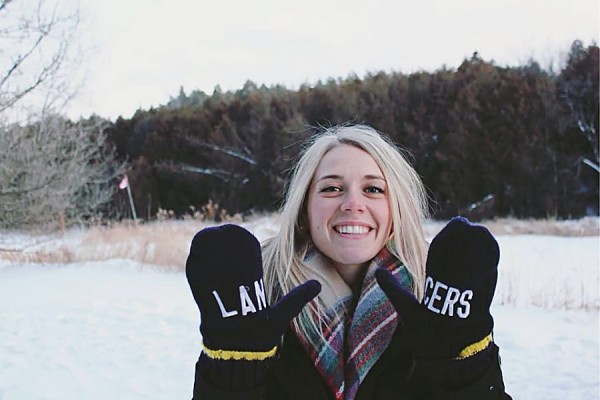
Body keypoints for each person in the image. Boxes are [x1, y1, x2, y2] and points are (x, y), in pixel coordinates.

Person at [185, 124, 512, 399]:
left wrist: (462, 368)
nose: (352, 203)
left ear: (396, 208)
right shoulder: (258, 304)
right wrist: (235, 370)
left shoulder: (438, 301)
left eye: (372, 189)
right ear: (304, 208)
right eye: (331, 188)